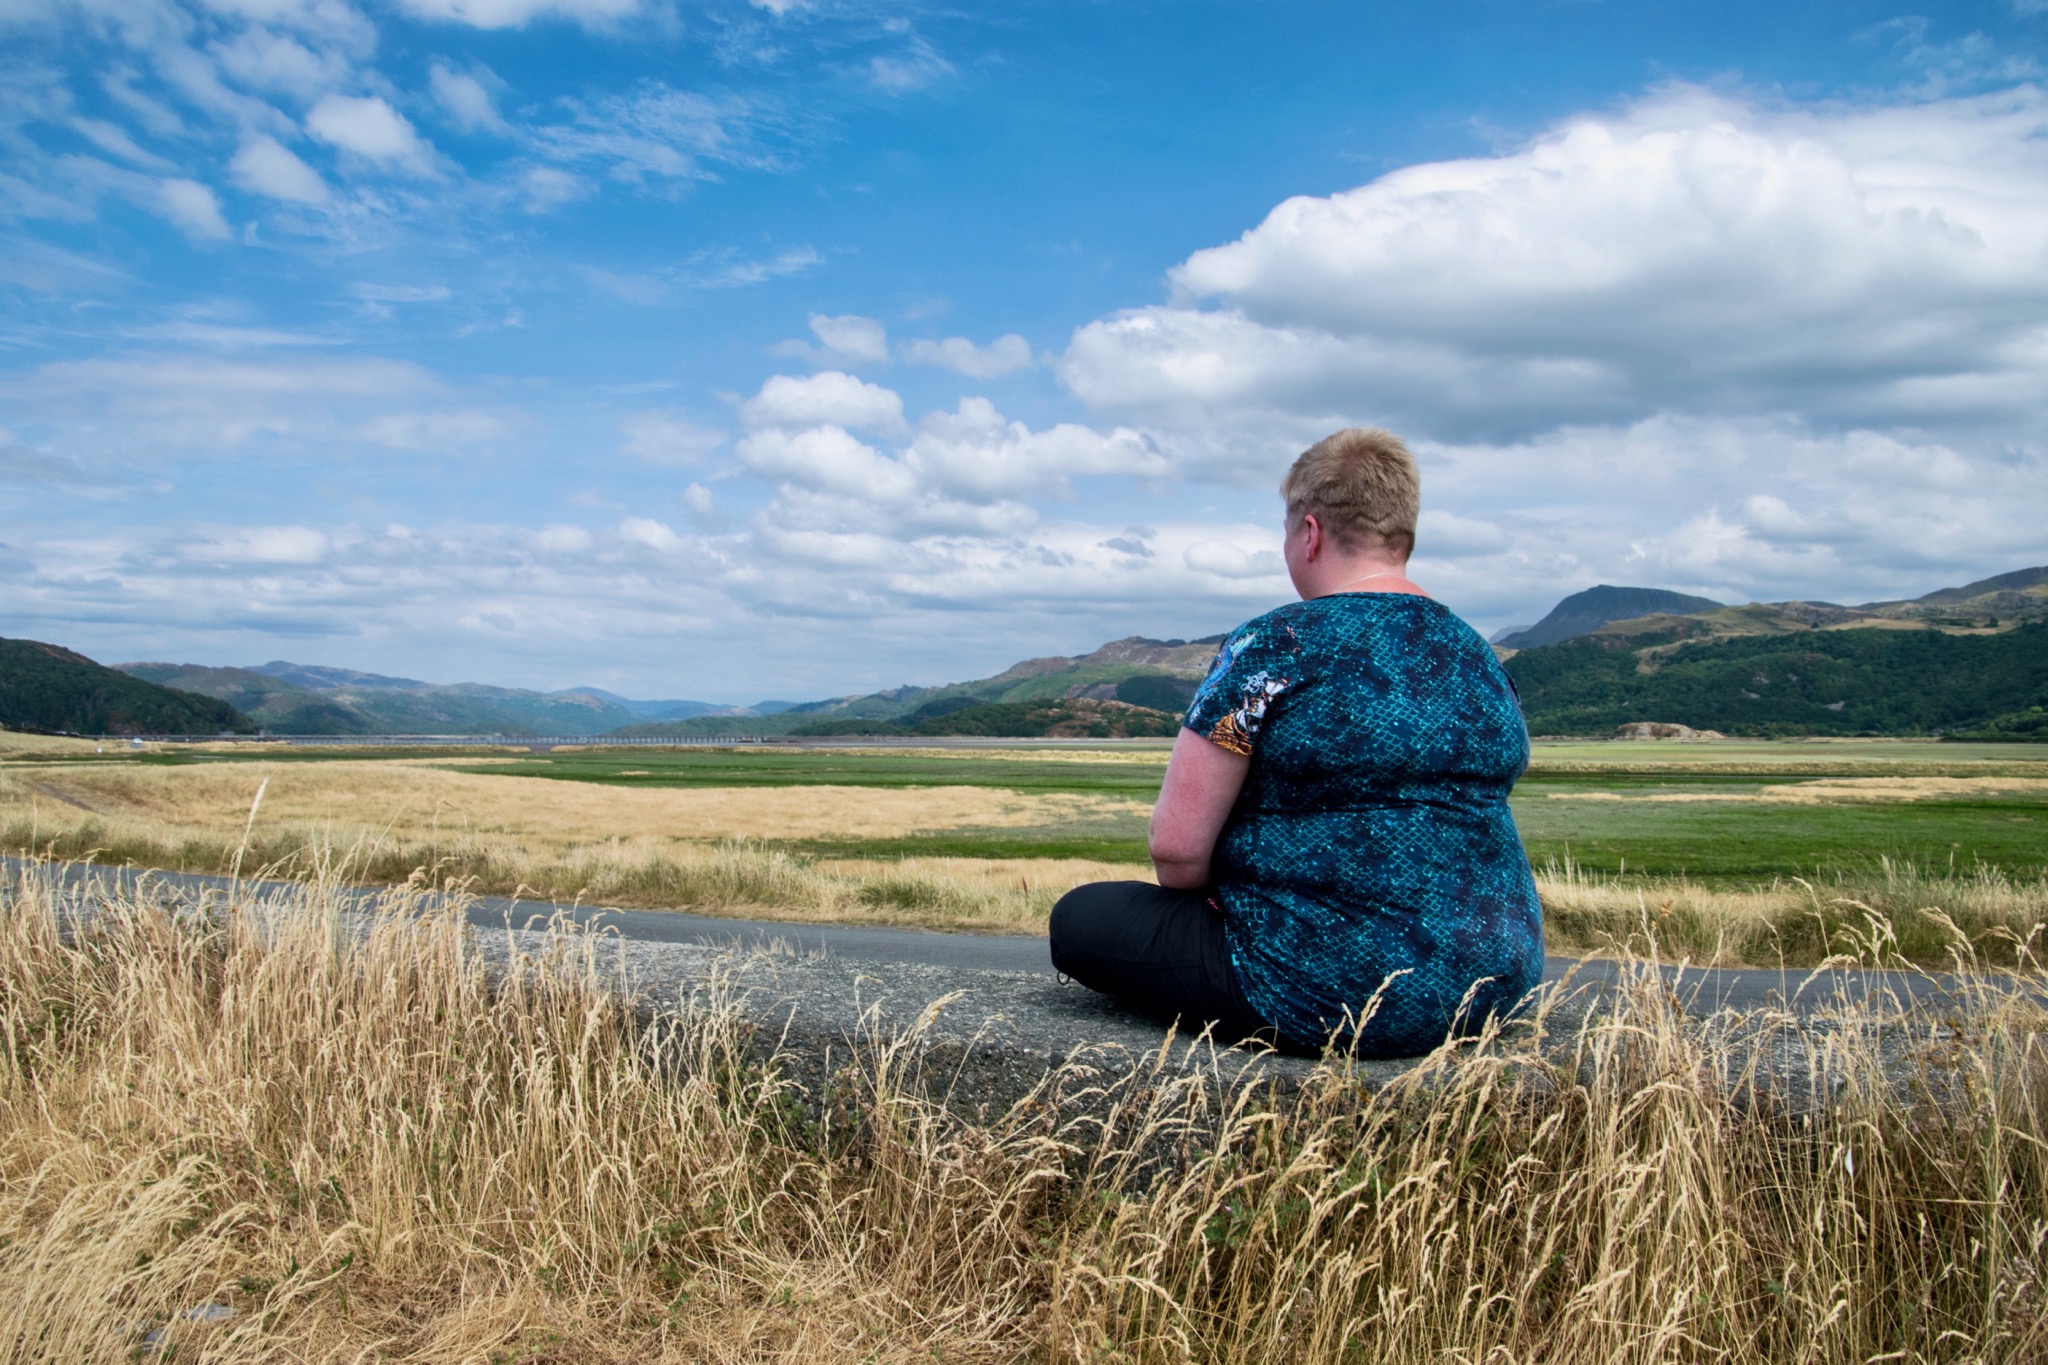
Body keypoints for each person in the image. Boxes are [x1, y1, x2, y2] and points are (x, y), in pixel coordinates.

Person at [1048, 427, 1543, 1057]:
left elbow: (1175, 851)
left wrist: (1222, 898)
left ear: (1309, 533)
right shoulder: (1478, 653)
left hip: (1331, 990)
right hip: (1497, 981)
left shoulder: (1276, 646)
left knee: (1080, 919)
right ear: (1403, 535)